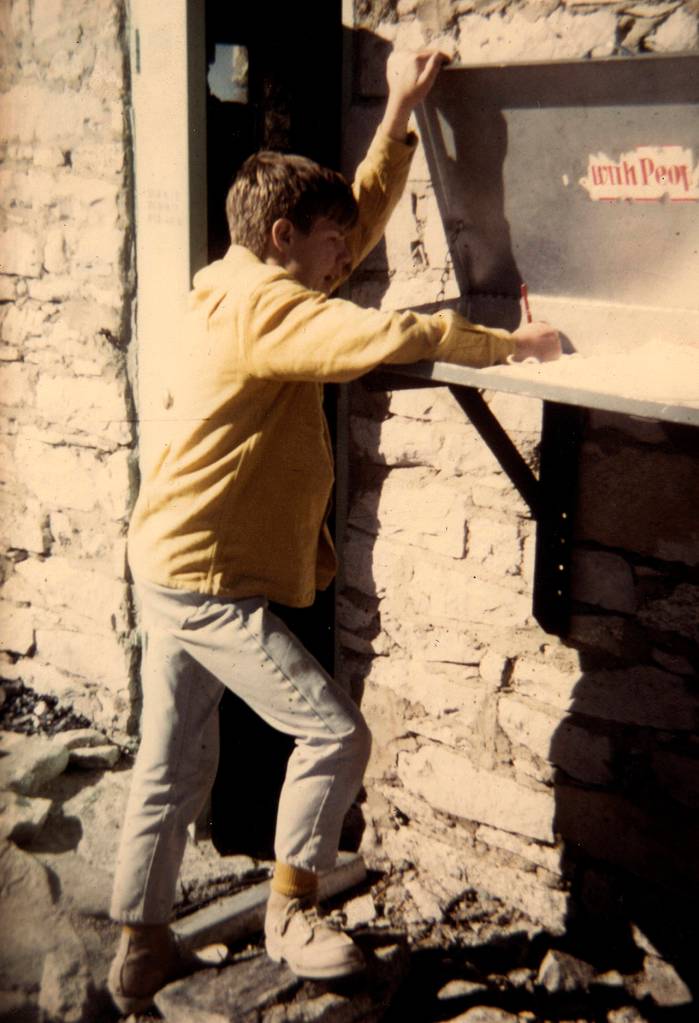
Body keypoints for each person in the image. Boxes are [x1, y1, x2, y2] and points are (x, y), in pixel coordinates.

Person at [107, 48, 561, 1014]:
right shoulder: (271, 311)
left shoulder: (231, 282)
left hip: (168, 559)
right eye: (328, 247)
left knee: (174, 755)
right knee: (333, 732)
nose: (343, 261)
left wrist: (398, 106)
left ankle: (140, 946)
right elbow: (388, 335)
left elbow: (350, 217)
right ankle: (291, 908)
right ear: (283, 236)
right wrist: (508, 344)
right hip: (205, 577)